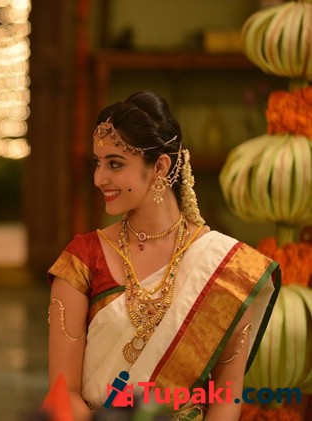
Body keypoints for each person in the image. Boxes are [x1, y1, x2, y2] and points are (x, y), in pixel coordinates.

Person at [46, 91, 280, 420]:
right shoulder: (83, 260)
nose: (99, 178)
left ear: (160, 166)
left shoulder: (226, 268)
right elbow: (63, 392)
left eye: (115, 164)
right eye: (98, 163)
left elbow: (227, 397)